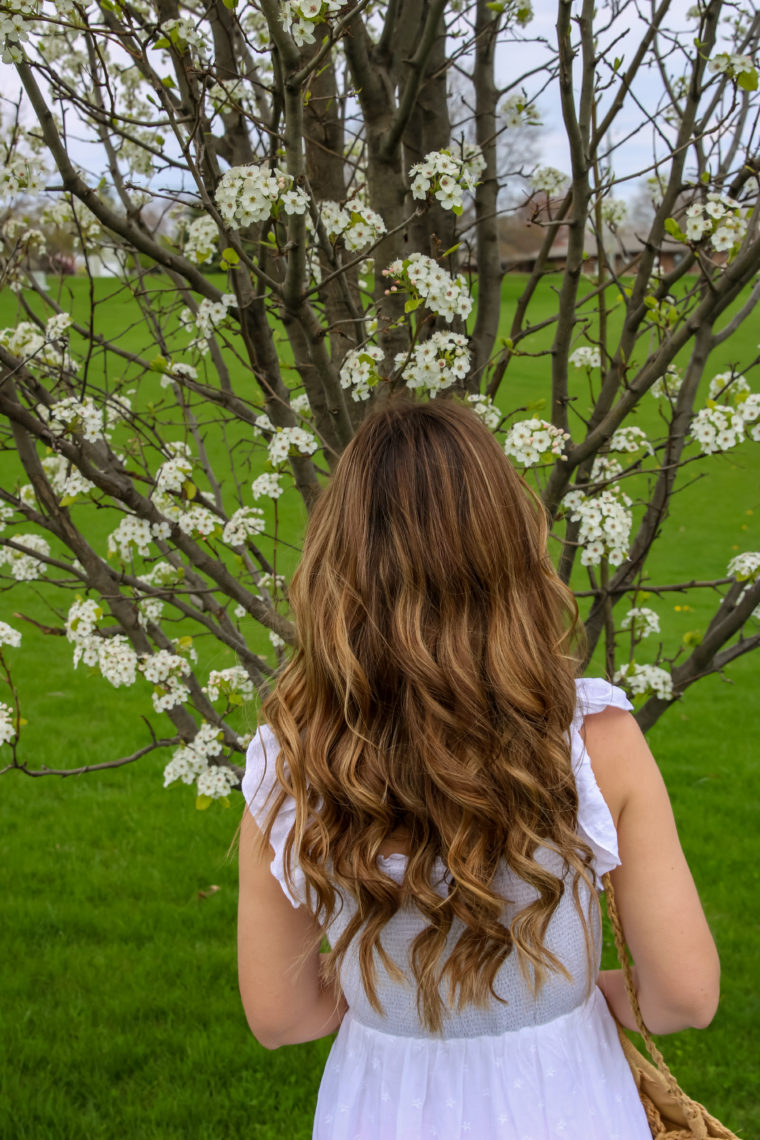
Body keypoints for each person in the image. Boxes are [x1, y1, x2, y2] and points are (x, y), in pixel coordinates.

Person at [238, 396, 720, 1140]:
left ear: (336, 565)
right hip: (568, 1101)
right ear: (510, 551)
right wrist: (565, 996)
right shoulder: (597, 742)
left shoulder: (290, 762)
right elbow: (684, 997)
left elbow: (281, 1015)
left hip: (381, 1107)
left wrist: (390, 999)